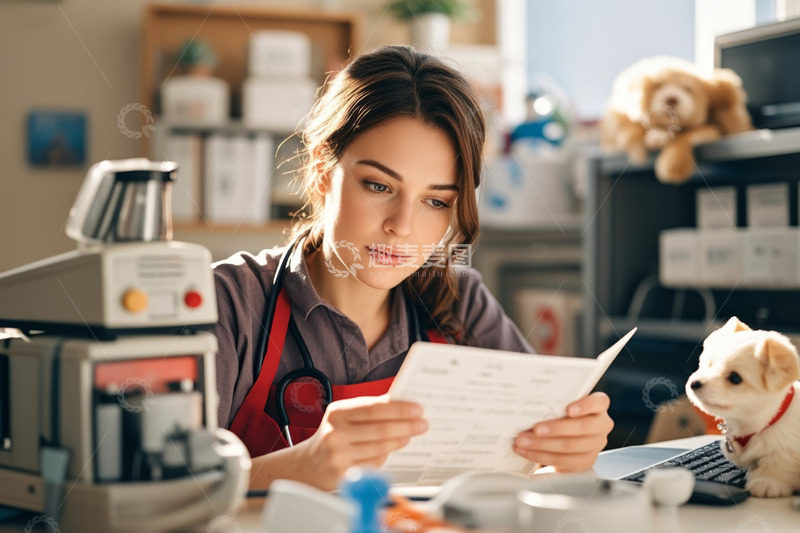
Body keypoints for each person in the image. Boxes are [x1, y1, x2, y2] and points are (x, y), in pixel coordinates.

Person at [211, 45, 613, 491]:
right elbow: (154, 496)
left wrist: (567, 453)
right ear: (323, 169)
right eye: (379, 186)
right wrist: (294, 468)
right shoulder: (227, 304)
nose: (402, 227)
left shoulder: (461, 302)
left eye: (435, 201)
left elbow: (529, 464)